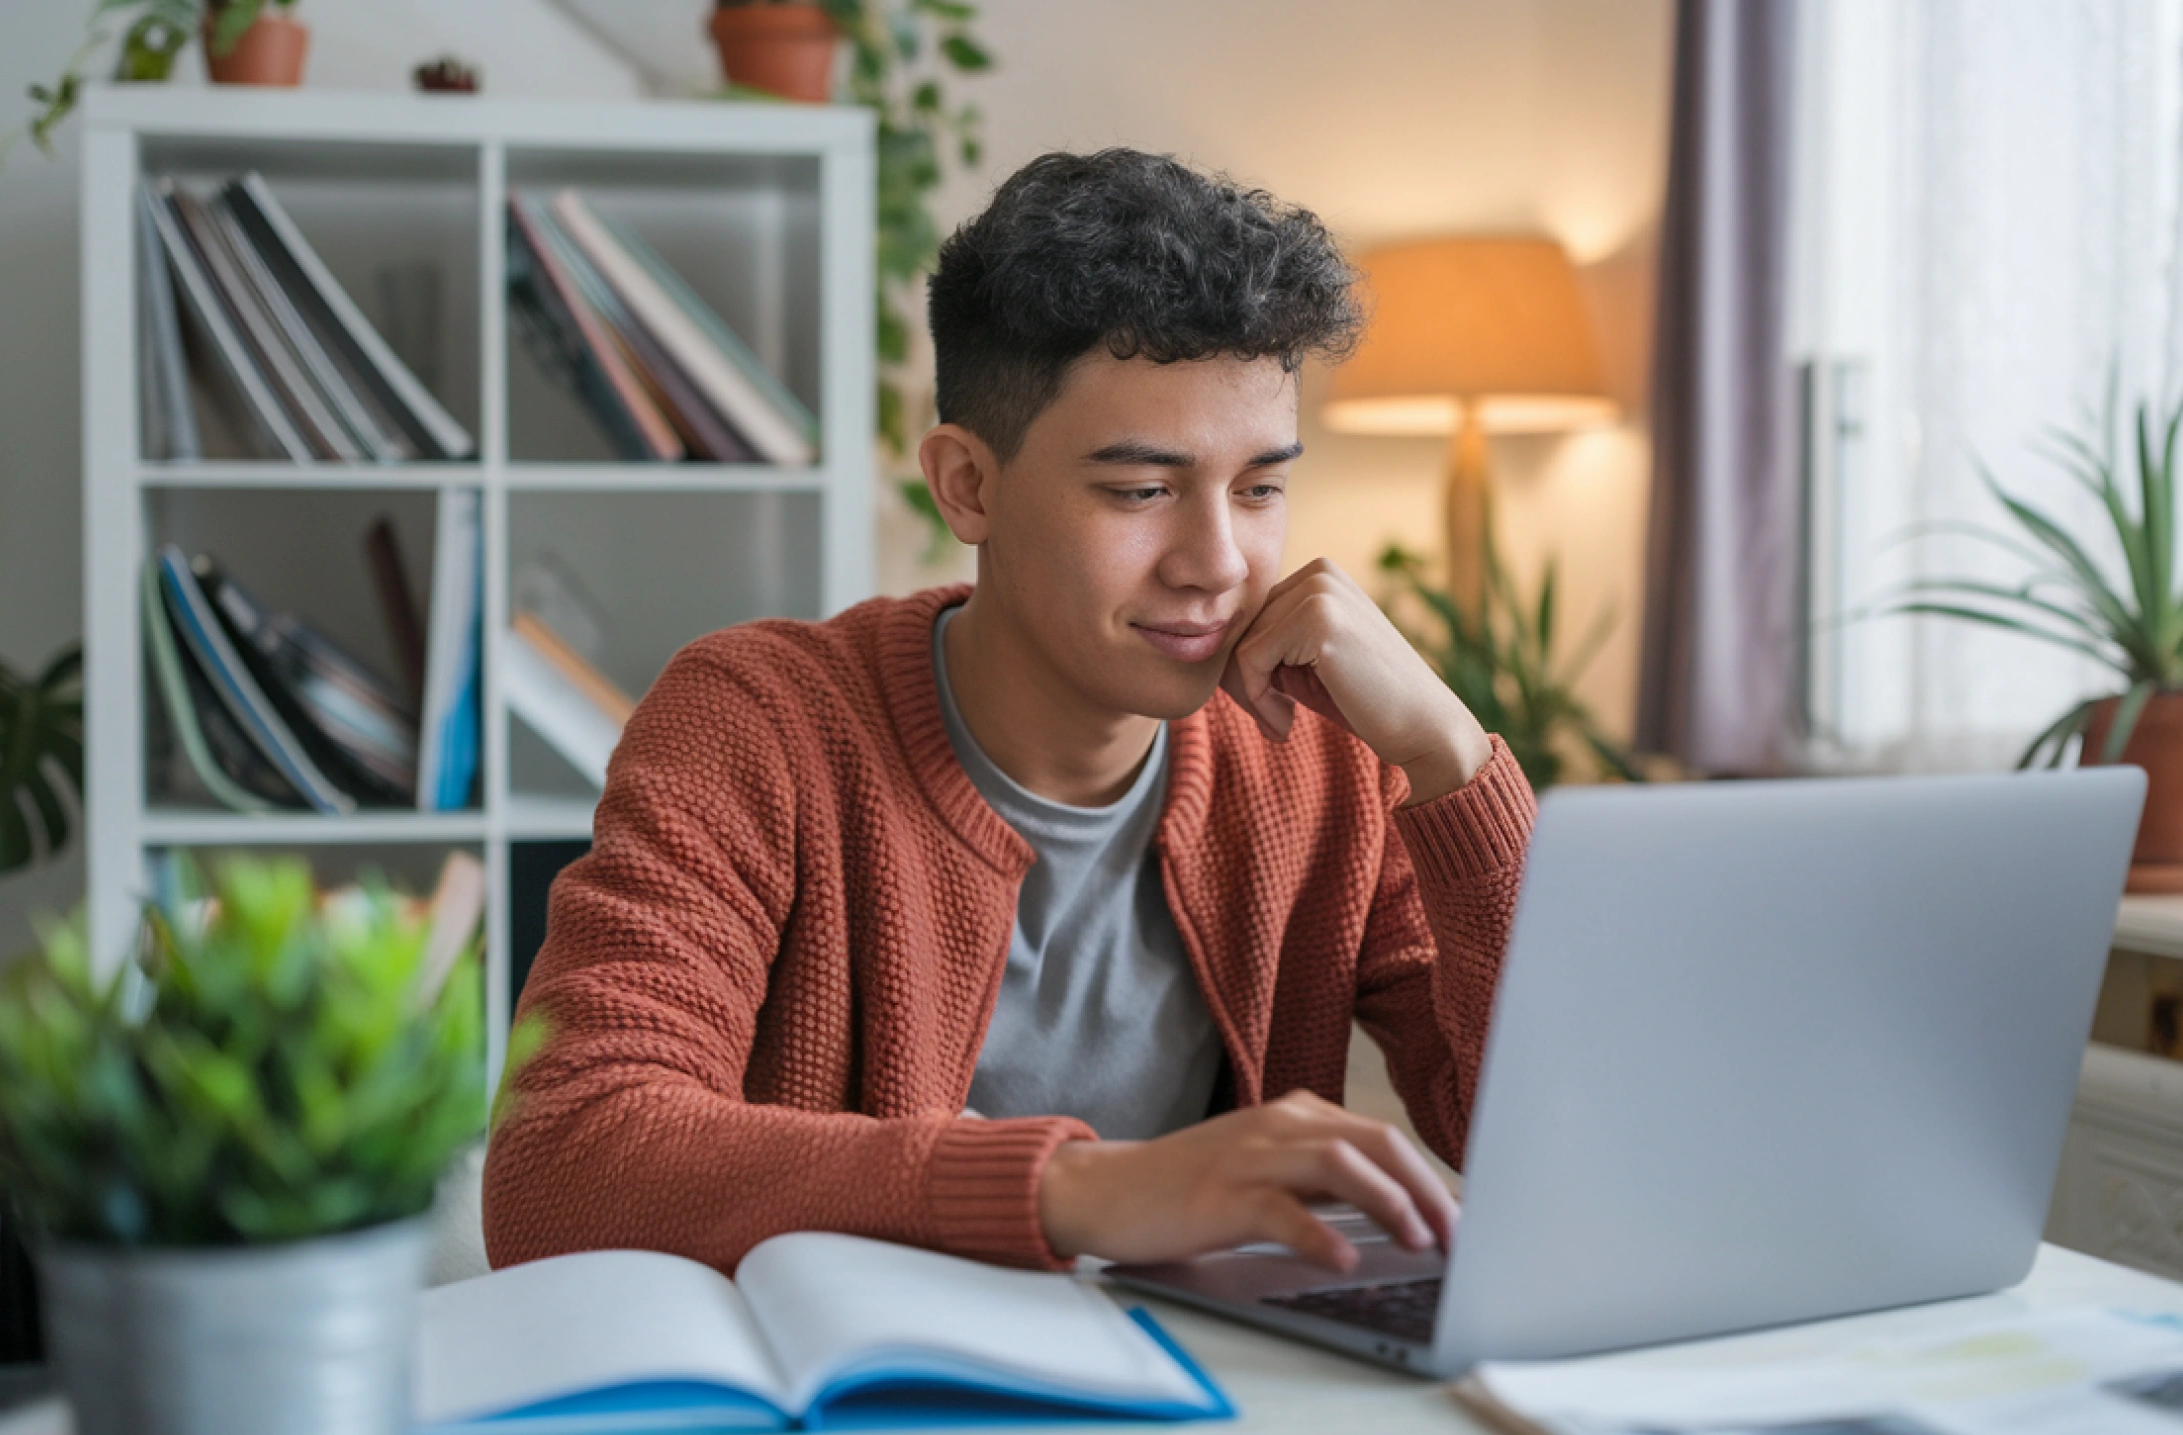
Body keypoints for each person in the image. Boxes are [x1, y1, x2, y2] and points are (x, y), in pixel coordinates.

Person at [483, 149, 1536, 1278]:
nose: (1218, 563)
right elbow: (564, 1163)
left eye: (1260, 487)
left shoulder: (1323, 758)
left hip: (1218, 1363)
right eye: (1142, 490)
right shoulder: (757, 725)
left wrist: (1451, 758)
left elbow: (1554, 1149)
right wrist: (1074, 1189)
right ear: (967, 486)